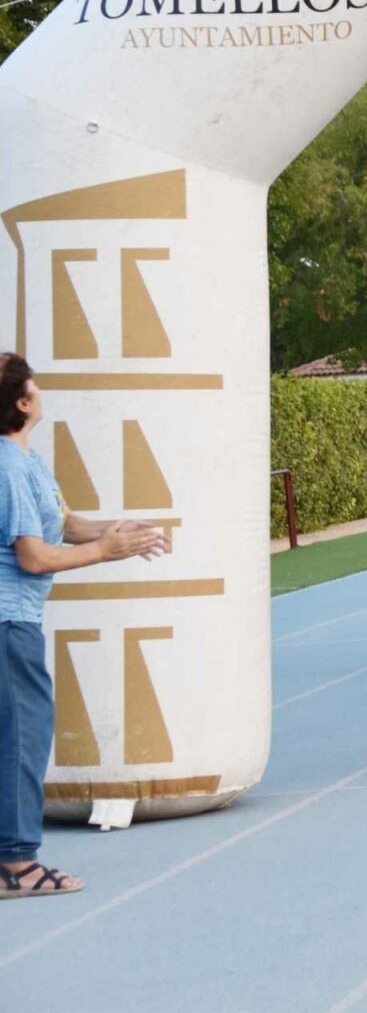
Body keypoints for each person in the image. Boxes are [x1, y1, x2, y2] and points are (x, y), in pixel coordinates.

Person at [1, 355, 168, 901]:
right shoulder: (6, 465)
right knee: (22, 739)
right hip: (9, 623)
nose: (41, 389)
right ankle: (17, 863)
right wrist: (104, 551)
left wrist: (119, 533)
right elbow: (33, 556)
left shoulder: (27, 459)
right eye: (34, 384)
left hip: (16, 621)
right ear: (24, 402)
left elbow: (64, 523)